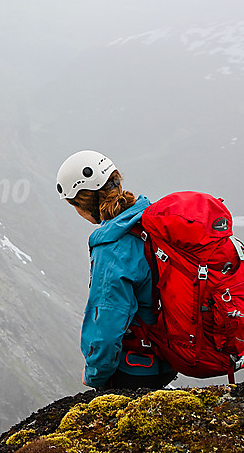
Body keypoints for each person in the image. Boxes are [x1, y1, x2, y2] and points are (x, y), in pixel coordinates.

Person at [56, 150, 177, 390]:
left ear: (83, 203)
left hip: (136, 369)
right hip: (168, 358)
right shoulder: (148, 219)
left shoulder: (113, 246)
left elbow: (107, 324)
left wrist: (94, 375)